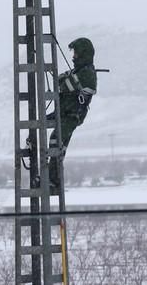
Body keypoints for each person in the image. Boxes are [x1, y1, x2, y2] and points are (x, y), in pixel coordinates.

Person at [47, 37, 97, 191]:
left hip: (72, 115)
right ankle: (51, 177)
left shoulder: (88, 73)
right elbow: (60, 81)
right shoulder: (79, 71)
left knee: (57, 141)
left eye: (75, 53)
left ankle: (53, 179)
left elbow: (65, 85)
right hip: (63, 112)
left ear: (83, 54)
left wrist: (65, 81)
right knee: (57, 142)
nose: (73, 57)